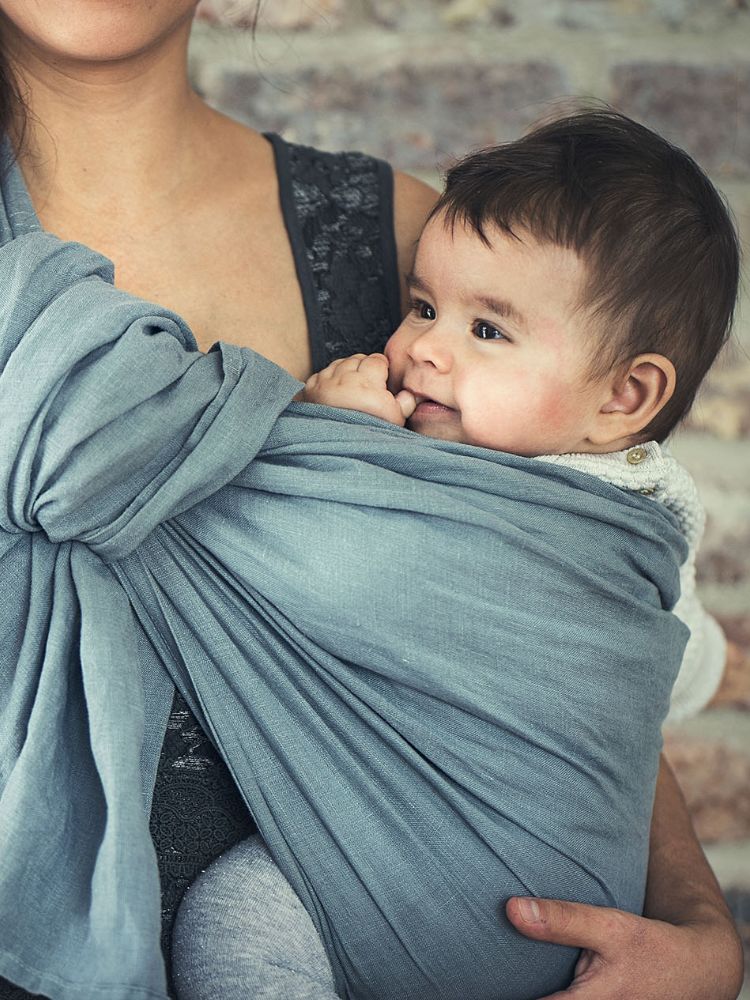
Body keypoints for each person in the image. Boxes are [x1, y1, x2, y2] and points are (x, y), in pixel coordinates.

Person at [0, 1, 742, 998]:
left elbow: (556, 654)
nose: (435, 336)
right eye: (434, 317)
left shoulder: (402, 238)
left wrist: (701, 931)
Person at [165, 111, 741, 999]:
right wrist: (343, 447)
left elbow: (643, 663)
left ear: (625, 396)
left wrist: (321, 439)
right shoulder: (456, 448)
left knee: (236, 917)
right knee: (234, 918)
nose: (422, 348)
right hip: (383, 854)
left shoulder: (626, 524)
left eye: (487, 332)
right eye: (423, 307)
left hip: (556, 900)